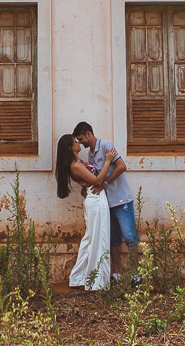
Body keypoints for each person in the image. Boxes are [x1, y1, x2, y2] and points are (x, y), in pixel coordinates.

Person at [72, 121, 139, 281]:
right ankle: (116, 273)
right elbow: (95, 176)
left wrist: (105, 183)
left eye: (81, 139)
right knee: (114, 238)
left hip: (121, 199)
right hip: (107, 202)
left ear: (88, 134)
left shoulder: (106, 145)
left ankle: (136, 274)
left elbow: (122, 166)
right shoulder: (91, 154)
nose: (80, 143)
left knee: (130, 236)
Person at [55, 132, 116, 290]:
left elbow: (89, 181)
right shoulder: (75, 166)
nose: (78, 143)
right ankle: (96, 281)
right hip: (95, 199)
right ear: (70, 147)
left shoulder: (77, 162)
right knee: (98, 238)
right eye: (75, 142)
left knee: (91, 238)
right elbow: (97, 180)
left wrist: (86, 187)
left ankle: (79, 277)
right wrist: (108, 161)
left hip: (94, 197)